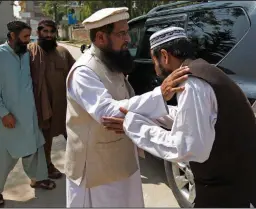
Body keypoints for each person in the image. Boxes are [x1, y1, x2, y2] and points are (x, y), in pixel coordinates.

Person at [102, 27, 256, 208]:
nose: (154, 66)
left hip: (227, 193)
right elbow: (195, 119)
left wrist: (133, 126)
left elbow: (187, 148)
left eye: (154, 59)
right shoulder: (204, 70)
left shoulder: (192, 84)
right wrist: (150, 114)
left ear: (165, 56)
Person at [64, 8, 190, 207]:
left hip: (122, 162)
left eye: (127, 33)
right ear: (100, 37)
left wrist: (177, 116)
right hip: (96, 172)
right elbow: (107, 112)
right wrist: (160, 94)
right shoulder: (83, 72)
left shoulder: (111, 64)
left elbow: (133, 105)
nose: (128, 40)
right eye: (122, 34)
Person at [0, 20, 56, 208]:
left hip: (29, 116)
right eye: (25, 37)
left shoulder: (24, 55)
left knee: (34, 150)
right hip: (8, 118)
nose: (28, 41)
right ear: (12, 36)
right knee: (3, 158)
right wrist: (3, 113)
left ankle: (38, 179)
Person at [28, 19, 75, 179]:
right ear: (38, 33)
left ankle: (80, 162)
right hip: (42, 105)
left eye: (51, 32)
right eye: (45, 31)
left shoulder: (63, 52)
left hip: (64, 105)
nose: (48, 35)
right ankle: (47, 166)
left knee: (75, 136)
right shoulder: (30, 52)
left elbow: (76, 74)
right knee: (45, 140)